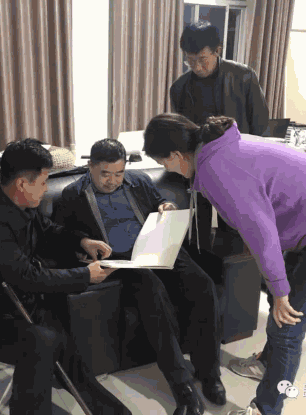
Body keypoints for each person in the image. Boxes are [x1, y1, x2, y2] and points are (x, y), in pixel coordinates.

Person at [142, 113, 306, 415]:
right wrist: (278, 289)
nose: (167, 169)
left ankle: (266, 408)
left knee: (287, 327)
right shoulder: (216, 147)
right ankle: (265, 364)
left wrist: (280, 290)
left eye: (163, 163)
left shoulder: (216, 170)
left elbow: (260, 232)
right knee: (280, 312)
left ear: (175, 155)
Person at [0, 139, 132, 415]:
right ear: (23, 184)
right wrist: (85, 275)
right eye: (44, 181)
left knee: (65, 345)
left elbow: (48, 230)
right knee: (42, 341)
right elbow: (25, 276)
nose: (47, 188)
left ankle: (109, 410)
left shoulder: (21, 202)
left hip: (19, 302)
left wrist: (82, 241)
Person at [53, 139, 221, 413]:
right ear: (90, 167)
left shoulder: (139, 181)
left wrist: (166, 206)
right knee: (152, 292)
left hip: (156, 245)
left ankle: (210, 373)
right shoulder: (73, 194)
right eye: (105, 174)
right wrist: (82, 244)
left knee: (202, 283)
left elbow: (159, 202)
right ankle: (183, 388)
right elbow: (61, 235)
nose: (112, 181)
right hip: (124, 260)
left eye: (118, 173)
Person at [170, 20, 270, 255]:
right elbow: (182, 133)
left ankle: (235, 269)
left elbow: (261, 125)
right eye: (190, 60)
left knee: (235, 228)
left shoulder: (243, 77)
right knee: (198, 228)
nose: (196, 66)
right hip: (200, 165)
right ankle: (205, 266)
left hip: (239, 164)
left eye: (202, 59)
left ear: (218, 50)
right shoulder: (179, 88)